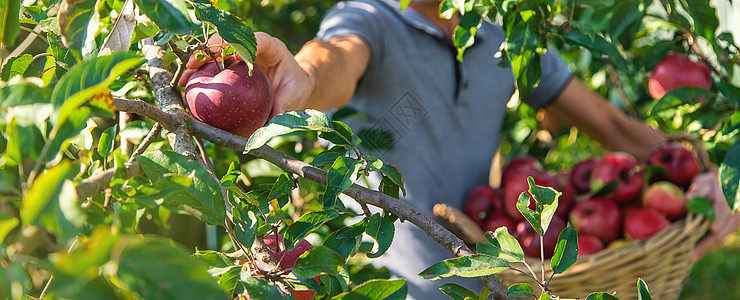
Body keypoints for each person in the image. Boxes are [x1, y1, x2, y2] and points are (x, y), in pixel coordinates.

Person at [179, 0, 740, 298]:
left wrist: (708, 178)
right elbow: (334, 58)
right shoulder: (370, 17)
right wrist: (301, 77)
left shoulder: (506, 33)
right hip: (401, 289)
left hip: (508, 274)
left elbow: (613, 128)